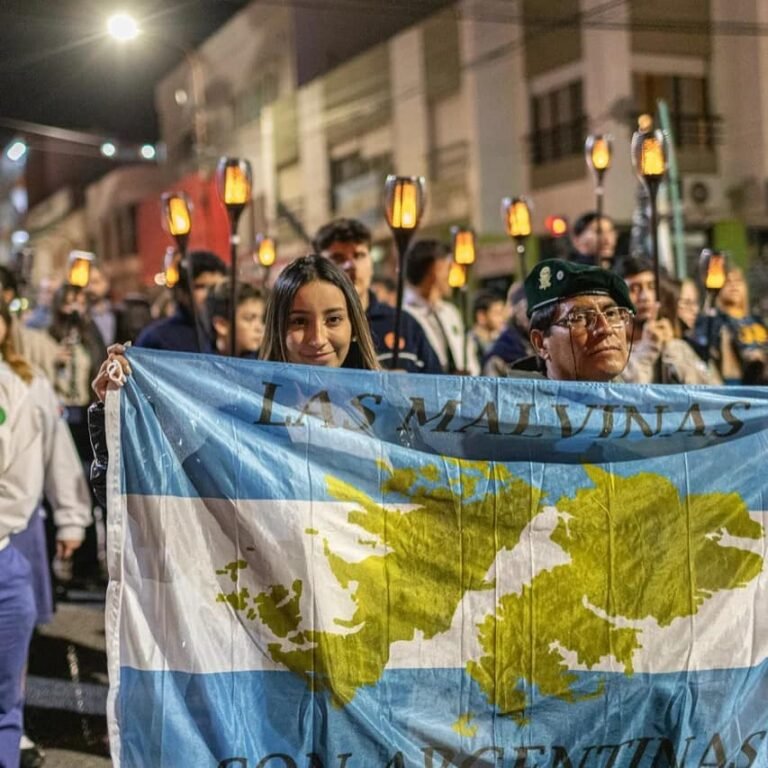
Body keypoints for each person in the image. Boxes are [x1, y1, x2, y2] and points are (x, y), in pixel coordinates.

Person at [89, 256, 380, 506]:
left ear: (354, 326)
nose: (317, 338)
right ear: (277, 329)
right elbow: (154, 496)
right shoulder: (241, 417)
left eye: (333, 320)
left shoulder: (391, 415)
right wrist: (117, 414)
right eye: (299, 322)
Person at [313, 219, 441, 373]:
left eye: (359, 255)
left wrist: (409, 388)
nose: (351, 265)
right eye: (338, 258)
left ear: (371, 263)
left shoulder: (404, 324)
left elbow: (438, 389)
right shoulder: (312, 332)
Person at [523, 259, 635, 382]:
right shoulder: (513, 400)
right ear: (540, 344)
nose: (605, 328)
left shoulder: (637, 398)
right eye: (579, 318)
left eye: (611, 314)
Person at [403, 239, 480, 375]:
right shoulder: (405, 317)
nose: (453, 276)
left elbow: (469, 355)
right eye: (449, 268)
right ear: (434, 270)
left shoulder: (450, 312)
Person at [135, 250, 227, 353]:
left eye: (217, 286)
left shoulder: (232, 332)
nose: (211, 293)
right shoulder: (157, 338)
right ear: (182, 292)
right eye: (201, 286)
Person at [692, 267, 768, 385]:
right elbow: (702, 345)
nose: (734, 286)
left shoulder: (757, 320)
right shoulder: (715, 320)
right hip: (735, 380)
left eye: (738, 281)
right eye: (728, 282)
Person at [482, 282, 535, 376]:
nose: (532, 313)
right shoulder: (501, 351)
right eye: (525, 307)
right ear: (515, 312)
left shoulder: (543, 342)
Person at [205, 280, 265, 358]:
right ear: (221, 325)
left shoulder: (265, 361)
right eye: (249, 318)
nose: (260, 328)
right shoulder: (199, 361)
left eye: (262, 319)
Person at [471, 292, 506, 360]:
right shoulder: (470, 344)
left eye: (502, 313)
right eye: (497, 313)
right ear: (481, 316)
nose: (502, 318)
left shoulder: (498, 340)